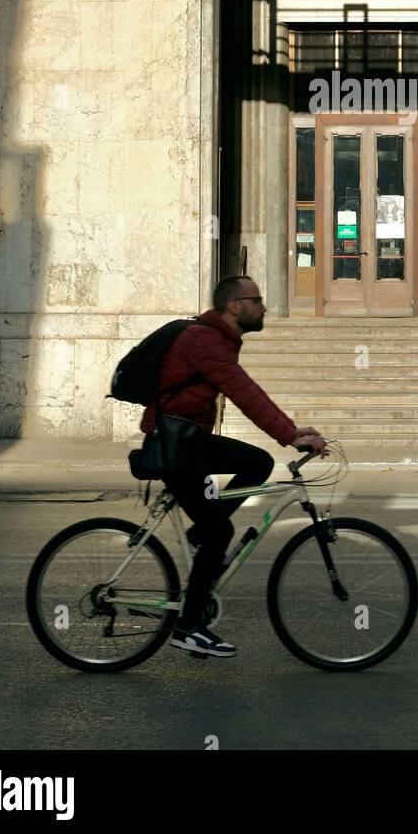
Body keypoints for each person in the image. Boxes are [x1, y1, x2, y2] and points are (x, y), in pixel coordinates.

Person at [140, 275, 326, 660]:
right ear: (234, 306)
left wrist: (289, 432)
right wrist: (289, 434)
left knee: (256, 463)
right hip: (175, 448)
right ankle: (188, 627)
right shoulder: (204, 341)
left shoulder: (216, 338)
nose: (263, 307)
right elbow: (244, 391)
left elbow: (242, 390)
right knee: (220, 530)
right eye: (256, 300)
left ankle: (198, 536)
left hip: (188, 441)